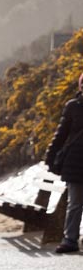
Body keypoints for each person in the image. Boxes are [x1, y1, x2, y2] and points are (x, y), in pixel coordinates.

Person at [44, 71, 83, 254]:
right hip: (76, 162)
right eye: (82, 84)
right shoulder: (72, 106)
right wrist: (50, 156)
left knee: (74, 203)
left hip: (75, 162)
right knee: (74, 203)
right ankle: (70, 240)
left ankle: (71, 238)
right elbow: (61, 134)